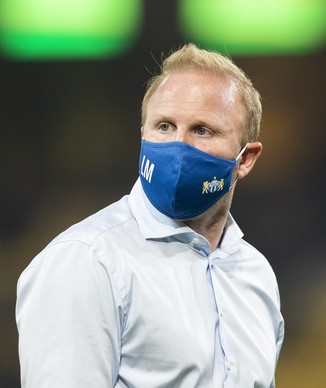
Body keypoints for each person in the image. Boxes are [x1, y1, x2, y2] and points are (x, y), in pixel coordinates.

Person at [16, 43, 284, 387]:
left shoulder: (256, 275)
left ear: (246, 159)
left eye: (202, 130)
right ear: (143, 134)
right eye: (165, 126)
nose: (179, 146)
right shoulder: (87, 261)